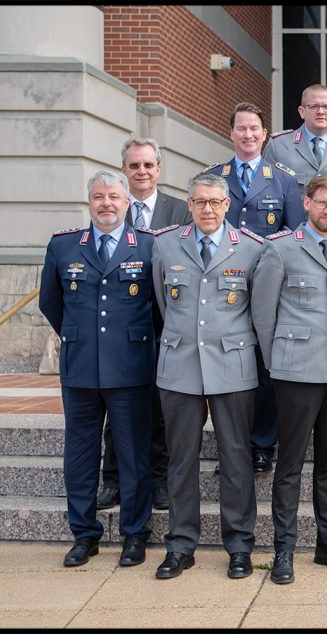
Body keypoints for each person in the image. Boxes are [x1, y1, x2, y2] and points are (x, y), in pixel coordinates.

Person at [151, 173, 266, 580]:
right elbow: (163, 305)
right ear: (189, 203)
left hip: (232, 367)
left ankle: (239, 546)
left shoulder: (251, 248)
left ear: (227, 204)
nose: (208, 209)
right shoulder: (165, 244)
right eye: (199, 202)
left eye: (215, 202)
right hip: (180, 365)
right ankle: (181, 545)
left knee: (236, 458)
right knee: (180, 460)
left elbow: (258, 311)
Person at [39, 170, 156, 568]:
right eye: (98, 197)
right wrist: (80, 336)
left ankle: (135, 534)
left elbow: (159, 307)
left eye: (113, 197)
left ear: (127, 202)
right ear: (89, 201)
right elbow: (50, 303)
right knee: (80, 457)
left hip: (132, 369)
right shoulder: (64, 246)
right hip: (81, 369)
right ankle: (84, 535)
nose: (106, 203)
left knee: (133, 456)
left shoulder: (148, 245)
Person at [252, 175, 327, 584]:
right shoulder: (280, 249)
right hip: (296, 371)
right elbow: (263, 316)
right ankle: (284, 549)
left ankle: (326, 544)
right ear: (307, 203)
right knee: (290, 465)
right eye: (322, 203)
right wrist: (278, 362)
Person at [204, 102, 305, 474]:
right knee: (226, 369)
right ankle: (232, 446)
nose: (248, 135)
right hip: (222, 289)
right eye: (241, 128)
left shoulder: (284, 179)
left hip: (267, 291)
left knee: (265, 369)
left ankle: (263, 444)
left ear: (265, 135)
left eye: (254, 129)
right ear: (231, 133)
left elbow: (295, 237)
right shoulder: (213, 178)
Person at [97, 136, 191, 512]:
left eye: (148, 165)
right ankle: (113, 478)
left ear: (158, 168)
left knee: (161, 406)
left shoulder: (180, 211)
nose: (141, 172)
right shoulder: (111, 207)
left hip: (167, 325)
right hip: (121, 327)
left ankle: (159, 480)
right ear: (124, 169)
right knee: (116, 406)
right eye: (134, 165)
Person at [264, 83, 327, 197]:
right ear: (302, 111)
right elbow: (265, 191)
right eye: (314, 106)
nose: (321, 111)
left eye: (326, 107)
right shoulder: (278, 146)